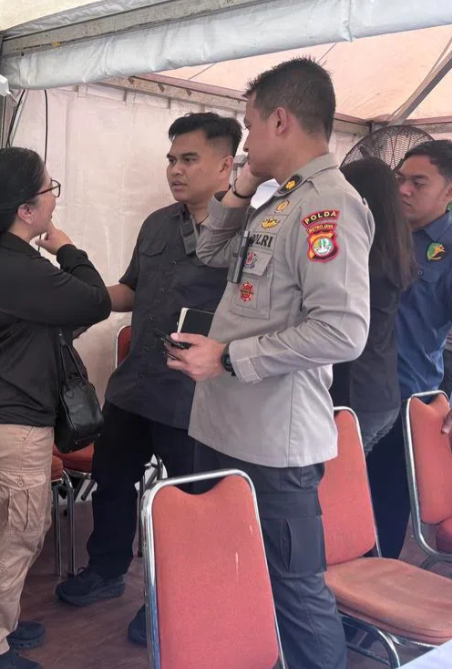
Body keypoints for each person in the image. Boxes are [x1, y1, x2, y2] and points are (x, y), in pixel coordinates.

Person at [167, 58, 373, 669]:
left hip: (272, 444)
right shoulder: (278, 200)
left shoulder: (328, 207)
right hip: (225, 425)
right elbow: (209, 249)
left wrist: (229, 357)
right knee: (230, 571)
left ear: (281, 119)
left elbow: (343, 330)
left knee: (293, 589)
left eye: (251, 127)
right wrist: (236, 187)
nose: (246, 142)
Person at [54, 112, 242, 646]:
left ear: (226, 164)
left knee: (190, 502)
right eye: (171, 159)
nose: (175, 170)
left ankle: (174, 596)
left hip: (194, 397)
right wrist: (78, 300)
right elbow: (131, 289)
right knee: (113, 483)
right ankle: (107, 571)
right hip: (136, 386)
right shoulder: (159, 223)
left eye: (188, 159)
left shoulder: (247, 232)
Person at [0, 147, 111, 669]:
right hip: (8, 419)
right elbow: (95, 300)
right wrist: (66, 248)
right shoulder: (19, 267)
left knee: (9, 525)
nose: (53, 200)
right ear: (26, 209)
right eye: (49, 190)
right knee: (12, 533)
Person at [365, 140, 452, 559]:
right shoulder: (373, 231)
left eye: (419, 182)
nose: (403, 190)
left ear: (449, 192)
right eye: (399, 179)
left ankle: (365, 607)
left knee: (383, 504)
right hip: (351, 392)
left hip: (405, 399)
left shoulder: (448, 250)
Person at [330, 158, 416, 453]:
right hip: (382, 394)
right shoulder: (396, 246)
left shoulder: (359, 255)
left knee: (331, 493)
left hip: (352, 397)